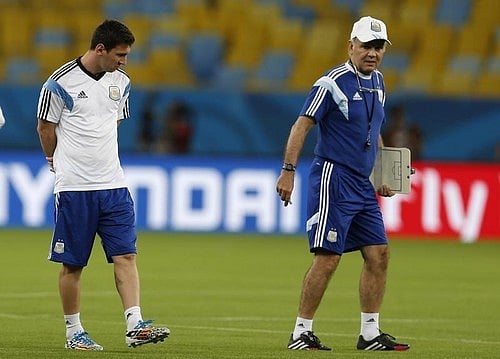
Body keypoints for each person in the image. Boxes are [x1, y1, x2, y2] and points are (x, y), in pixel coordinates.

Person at [276, 16, 410, 351]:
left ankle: (369, 333)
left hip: (361, 185)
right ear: (350, 46)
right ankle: (300, 332)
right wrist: (288, 170)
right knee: (328, 258)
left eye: (378, 47)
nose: (373, 53)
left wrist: (382, 174)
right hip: (333, 179)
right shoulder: (331, 83)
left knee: (379, 254)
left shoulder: (378, 82)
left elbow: (373, 130)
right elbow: (301, 126)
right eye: (366, 45)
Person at [36, 19, 170, 351]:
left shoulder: (121, 82)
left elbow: (112, 121)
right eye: (120, 55)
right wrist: (54, 160)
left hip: (114, 184)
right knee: (74, 264)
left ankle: (135, 324)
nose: (125, 61)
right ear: (101, 50)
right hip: (75, 189)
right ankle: (73, 332)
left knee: (126, 255)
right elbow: (44, 127)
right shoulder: (59, 83)